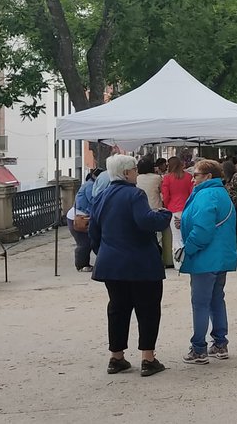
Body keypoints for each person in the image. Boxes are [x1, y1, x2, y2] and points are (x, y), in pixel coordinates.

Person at [89, 154, 173, 377]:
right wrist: (164, 215)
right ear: (126, 173)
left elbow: (93, 232)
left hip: (111, 263)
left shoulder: (101, 196)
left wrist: (105, 251)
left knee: (117, 308)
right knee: (147, 308)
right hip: (140, 262)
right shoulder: (135, 194)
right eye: (134, 169)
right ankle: (148, 358)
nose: (137, 172)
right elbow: (145, 221)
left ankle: (116, 357)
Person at [179, 159, 237, 364]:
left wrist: (188, 248)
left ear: (208, 176)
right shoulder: (221, 193)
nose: (192, 178)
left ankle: (199, 348)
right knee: (216, 300)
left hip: (205, 257)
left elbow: (203, 229)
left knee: (200, 303)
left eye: (195, 174)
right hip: (220, 256)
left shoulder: (205, 194)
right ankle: (220, 343)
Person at [135, 157, 171, 269]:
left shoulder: (137, 178)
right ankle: (158, 260)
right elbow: (162, 191)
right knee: (158, 236)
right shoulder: (157, 178)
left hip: (141, 208)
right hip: (156, 208)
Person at [68, 168, 104, 272]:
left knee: (89, 241)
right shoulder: (90, 186)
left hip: (83, 216)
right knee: (84, 243)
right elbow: (93, 200)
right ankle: (81, 265)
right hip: (79, 218)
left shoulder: (91, 185)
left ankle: (84, 264)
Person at [160, 156, 194, 261]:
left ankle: (178, 261)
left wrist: (166, 206)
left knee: (176, 237)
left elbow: (165, 195)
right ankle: (189, 259)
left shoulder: (167, 178)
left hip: (173, 209)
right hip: (187, 209)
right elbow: (192, 193)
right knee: (188, 235)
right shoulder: (189, 177)